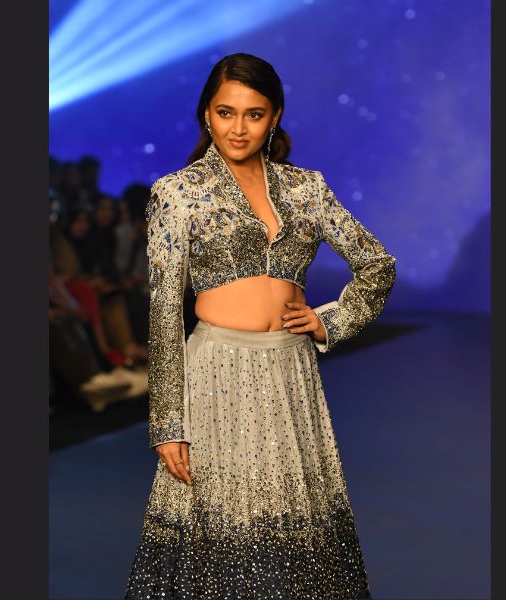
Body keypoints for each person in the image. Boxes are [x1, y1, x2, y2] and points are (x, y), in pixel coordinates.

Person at [123, 53, 396, 599]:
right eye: (226, 112)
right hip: (215, 375)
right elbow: (164, 313)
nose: (238, 128)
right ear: (207, 114)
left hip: (291, 372)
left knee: (299, 529)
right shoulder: (178, 193)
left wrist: (329, 320)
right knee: (214, 528)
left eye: (254, 114)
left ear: (275, 117)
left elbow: (377, 265)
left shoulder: (306, 188)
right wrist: (167, 424)